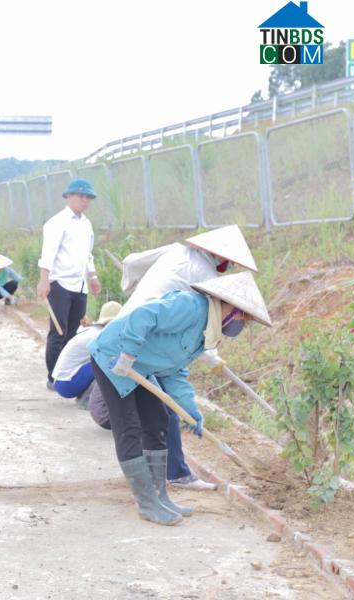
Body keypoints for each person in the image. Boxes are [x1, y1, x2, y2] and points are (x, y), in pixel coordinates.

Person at [88, 272, 271, 526]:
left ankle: (160, 496)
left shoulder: (206, 332)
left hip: (140, 367)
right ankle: (147, 503)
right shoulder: (191, 307)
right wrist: (128, 352)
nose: (242, 324)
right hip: (113, 358)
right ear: (229, 306)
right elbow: (144, 316)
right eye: (244, 317)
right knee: (129, 428)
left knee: (158, 420)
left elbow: (175, 371)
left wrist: (190, 409)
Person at [116, 225, 258, 492]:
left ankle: (164, 473)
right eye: (229, 262)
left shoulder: (175, 250)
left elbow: (131, 261)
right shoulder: (203, 276)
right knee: (162, 411)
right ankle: (175, 475)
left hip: (137, 324)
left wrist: (135, 290)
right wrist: (213, 357)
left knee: (158, 411)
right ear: (220, 257)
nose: (228, 266)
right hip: (146, 334)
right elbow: (201, 321)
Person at [37, 178, 101, 391]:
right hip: (60, 284)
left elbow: (87, 254)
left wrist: (92, 276)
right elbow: (48, 254)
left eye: (88, 197)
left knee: (73, 334)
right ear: (69, 196)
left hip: (79, 285)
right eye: (82, 196)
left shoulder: (86, 223)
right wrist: (44, 280)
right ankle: (53, 376)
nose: (85, 201)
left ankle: (67, 375)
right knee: (58, 332)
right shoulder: (57, 223)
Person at [51, 301, 121, 402]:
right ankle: (88, 399)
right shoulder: (100, 336)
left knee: (107, 361)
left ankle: (85, 395)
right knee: (109, 363)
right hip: (67, 384)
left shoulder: (94, 331)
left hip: (63, 381)